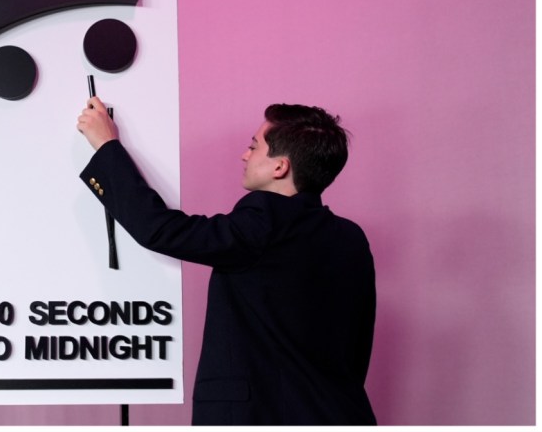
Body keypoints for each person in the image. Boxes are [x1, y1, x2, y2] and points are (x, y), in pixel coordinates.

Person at [76, 96, 377, 425]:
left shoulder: (265, 219)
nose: (244, 155)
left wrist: (106, 146)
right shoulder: (351, 238)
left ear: (280, 167)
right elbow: (357, 350)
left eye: (254, 146)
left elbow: (161, 230)